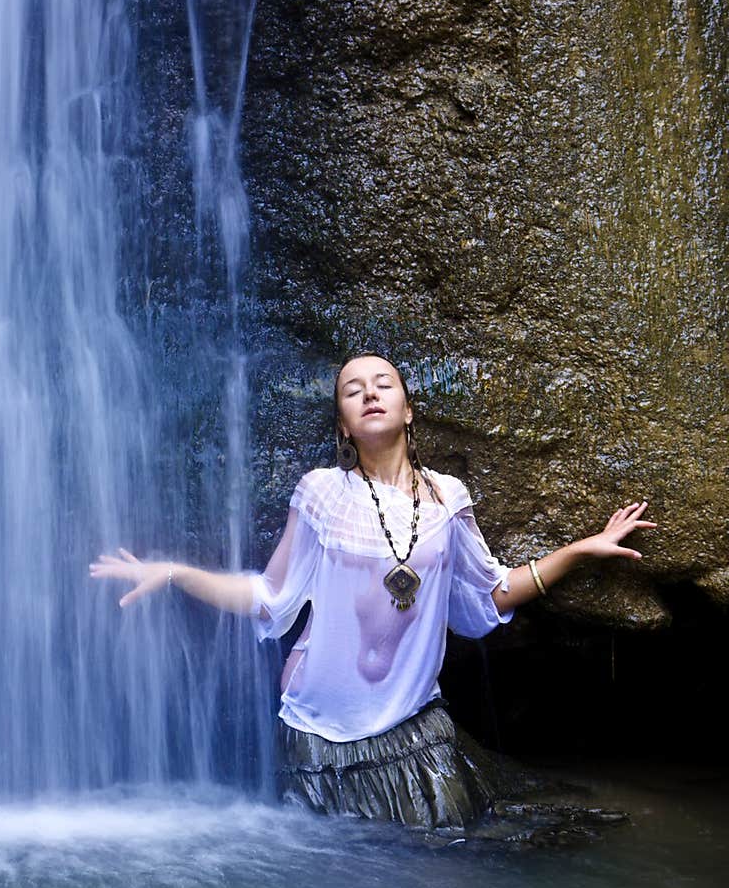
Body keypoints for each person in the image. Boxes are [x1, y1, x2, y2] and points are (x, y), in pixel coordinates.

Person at [89, 351, 657, 831]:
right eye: (352, 391)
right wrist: (172, 573)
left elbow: (493, 593)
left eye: (384, 384)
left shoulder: (447, 498)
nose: (369, 394)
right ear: (343, 425)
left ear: (408, 409)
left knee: (443, 853)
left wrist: (582, 550)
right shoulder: (321, 494)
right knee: (341, 875)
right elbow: (269, 596)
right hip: (317, 734)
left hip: (412, 725)